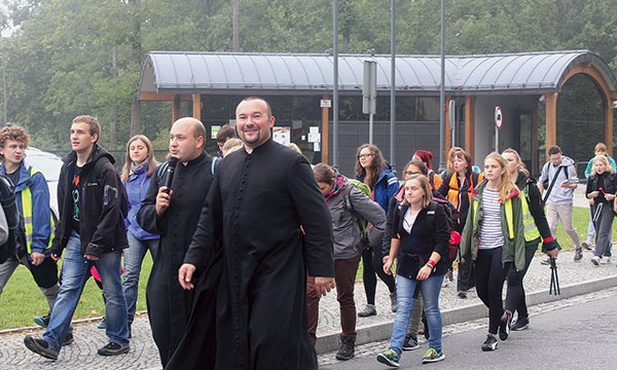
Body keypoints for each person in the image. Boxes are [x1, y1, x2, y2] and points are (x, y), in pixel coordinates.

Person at [177, 96, 335, 370]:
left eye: (256, 116)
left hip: (279, 271)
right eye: (243, 117)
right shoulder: (227, 164)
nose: (249, 123)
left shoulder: (291, 163)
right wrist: (193, 258)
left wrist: (322, 269)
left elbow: (318, 219)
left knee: (272, 341)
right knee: (235, 340)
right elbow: (209, 218)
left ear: (270, 122)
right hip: (235, 270)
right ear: (236, 124)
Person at [24, 115, 130, 360]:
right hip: (75, 237)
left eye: (80, 132)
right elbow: (65, 208)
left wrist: (96, 244)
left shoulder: (105, 168)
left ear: (93, 137)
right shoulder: (68, 167)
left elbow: (112, 211)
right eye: (72, 131)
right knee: (68, 288)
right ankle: (51, 342)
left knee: (112, 290)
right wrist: (59, 242)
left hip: (106, 242)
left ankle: (119, 339)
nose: (74, 136)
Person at [136, 117, 218, 367]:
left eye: (181, 138)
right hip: (165, 268)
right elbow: (143, 215)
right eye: (172, 137)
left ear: (199, 141)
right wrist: (157, 210)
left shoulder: (216, 169)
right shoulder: (163, 171)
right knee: (163, 327)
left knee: (201, 338)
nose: (173, 143)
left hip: (203, 270)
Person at [307, 163, 385, 361]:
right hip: (317, 254)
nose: (318, 192)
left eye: (321, 188)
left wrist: (366, 242)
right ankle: (308, 345)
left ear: (332, 183)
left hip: (345, 255)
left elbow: (380, 218)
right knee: (309, 295)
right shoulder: (310, 193)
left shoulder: (349, 193)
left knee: (345, 297)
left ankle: (348, 340)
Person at [377, 175, 449, 367]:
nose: (408, 192)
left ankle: (436, 348)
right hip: (406, 265)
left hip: (430, 265)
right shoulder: (401, 209)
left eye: (413, 189)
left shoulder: (436, 211)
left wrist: (429, 265)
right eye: (407, 189)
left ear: (424, 191)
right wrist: (391, 258)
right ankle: (394, 350)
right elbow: (396, 235)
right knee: (403, 308)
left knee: (431, 307)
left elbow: (443, 241)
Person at [0, 126, 63, 335]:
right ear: (2, 150)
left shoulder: (34, 177)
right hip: (6, 246)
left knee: (51, 290)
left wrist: (38, 247)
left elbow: (41, 216)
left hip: (32, 246)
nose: (18, 150)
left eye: (21, 147)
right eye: (13, 146)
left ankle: (63, 330)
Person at [459, 152, 525, 352]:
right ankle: (503, 316)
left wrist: (519, 259)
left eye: (493, 167)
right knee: (481, 291)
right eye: (486, 167)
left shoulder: (511, 193)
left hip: (502, 248)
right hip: (482, 248)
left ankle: (491, 335)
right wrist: (463, 250)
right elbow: (470, 222)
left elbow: (519, 227)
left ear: (502, 169)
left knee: (494, 290)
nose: (488, 170)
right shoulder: (478, 192)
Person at [502, 148, 559, 331]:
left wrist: (549, 242)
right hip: (508, 241)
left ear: (518, 163)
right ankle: (524, 316)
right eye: (503, 160)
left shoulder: (528, 186)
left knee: (513, 277)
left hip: (528, 240)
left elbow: (539, 216)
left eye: (510, 159)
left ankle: (507, 315)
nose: (506, 163)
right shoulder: (496, 184)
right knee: (515, 279)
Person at [120, 134, 159, 336]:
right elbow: (124, 206)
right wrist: (127, 227)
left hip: (155, 232)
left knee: (162, 276)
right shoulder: (125, 177)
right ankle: (125, 324)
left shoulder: (157, 173)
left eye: (140, 147)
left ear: (148, 150)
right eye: (132, 148)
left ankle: (164, 318)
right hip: (134, 232)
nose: (135, 151)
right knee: (130, 277)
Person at [355, 143, 399, 317]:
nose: (363, 158)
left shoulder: (388, 177)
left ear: (375, 156)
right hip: (365, 228)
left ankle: (394, 291)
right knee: (367, 265)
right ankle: (370, 304)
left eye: (367, 155)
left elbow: (393, 204)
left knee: (379, 264)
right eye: (361, 156)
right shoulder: (358, 179)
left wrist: (390, 227)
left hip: (382, 227)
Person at [437, 148, 483, 299]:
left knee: (465, 253)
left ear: (467, 163)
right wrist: (448, 208)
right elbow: (439, 195)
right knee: (449, 250)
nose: (456, 163)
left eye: (460, 160)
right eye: (454, 160)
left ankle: (462, 287)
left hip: (469, 223)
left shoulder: (476, 178)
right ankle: (465, 279)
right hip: (453, 221)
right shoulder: (450, 177)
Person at [538, 145, 583, 261]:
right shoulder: (547, 167)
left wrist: (567, 185)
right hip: (551, 201)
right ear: (549, 157)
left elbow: (575, 184)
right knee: (550, 227)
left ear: (561, 154)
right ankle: (552, 253)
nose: (556, 160)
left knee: (568, 228)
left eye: (558, 158)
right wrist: (539, 196)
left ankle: (578, 247)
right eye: (554, 159)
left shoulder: (568, 167)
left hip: (564, 201)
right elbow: (542, 181)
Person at [582, 143, 616, 252]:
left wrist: (612, 196)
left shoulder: (612, 176)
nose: (599, 168)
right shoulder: (592, 178)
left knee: (604, 230)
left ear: (606, 165)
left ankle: (598, 253)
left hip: (608, 205)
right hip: (596, 205)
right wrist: (591, 195)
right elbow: (587, 193)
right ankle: (606, 250)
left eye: (601, 165)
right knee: (598, 227)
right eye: (596, 165)